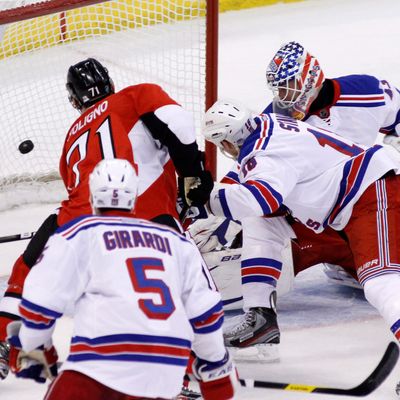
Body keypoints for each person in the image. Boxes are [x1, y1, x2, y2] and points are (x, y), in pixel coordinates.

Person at [0, 58, 213, 379]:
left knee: (26, 271)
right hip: (141, 214)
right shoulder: (133, 96)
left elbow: (78, 191)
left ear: (74, 100)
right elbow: (178, 123)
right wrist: (192, 176)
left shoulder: (71, 137)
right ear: (110, 83)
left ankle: (7, 342)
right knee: (177, 284)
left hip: (73, 224)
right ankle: (189, 366)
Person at [5, 159, 237, 400]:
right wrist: (214, 369)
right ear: (135, 196)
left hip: (99, 364)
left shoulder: (79, 233)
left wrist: (35, 348)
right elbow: (205, 313)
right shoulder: (175, 240)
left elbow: (39, 304)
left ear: (93, 194)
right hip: (166, 370)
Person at [198, 99, 400, 354]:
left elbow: (260, 198)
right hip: (350, 202)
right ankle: (260, 317)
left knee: (380, 283)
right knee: (262, 221)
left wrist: (205, 203)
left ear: (226, 142)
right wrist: (206, 199)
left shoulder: (263, 154)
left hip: (372, 194)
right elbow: (244, 180)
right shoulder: (267, 124)